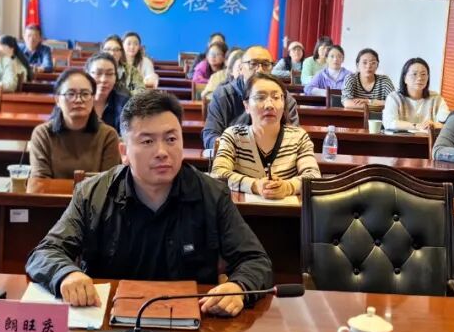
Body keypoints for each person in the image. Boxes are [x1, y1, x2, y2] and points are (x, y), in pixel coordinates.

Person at [25, 90, 273, 316]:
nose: (162, 151)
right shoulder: (92, 194)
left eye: (171, 139)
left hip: (191, 324)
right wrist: (67, 274)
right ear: (124, 152)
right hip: (104, 322)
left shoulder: (212, 194)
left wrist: (238, 286)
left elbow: (256, 261)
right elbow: (45, 253)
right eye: (147, 141)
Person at [211, 73, 320, 198]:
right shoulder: (233, 136)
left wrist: (287, 187)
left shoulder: (299, 137)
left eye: (276, 97)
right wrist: (254, 185)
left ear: (284, 103)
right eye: (260, 98)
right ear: (246, 106)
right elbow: (218, 174)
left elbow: (313, 176)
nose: (269, 105)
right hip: (241, 209)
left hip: (287, 209)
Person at [27, 69, 121, 180]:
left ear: (93, 99)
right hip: (50, 192)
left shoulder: (108, 135)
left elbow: (109, 183)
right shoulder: (43, 134)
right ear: (57, 100)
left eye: (85, 94)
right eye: (71, 94)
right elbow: (40, 182)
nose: (78, 100)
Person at [203, 45, 300, 150]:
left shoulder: (283, 97)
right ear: (241, 68)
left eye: (266, 64)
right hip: (232, 155)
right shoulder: (223, 95)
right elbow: (210, 135)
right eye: (253, 64)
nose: (260, 70)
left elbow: (293, 135)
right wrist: (230, 147)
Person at [382, 58, 450, 131]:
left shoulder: (436, 98)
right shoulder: (394, 98)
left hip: (428, 138)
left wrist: (433, 125)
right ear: (405, 78)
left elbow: (448, 123)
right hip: (401, 138)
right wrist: (416, 126)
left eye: (423, 74)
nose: (420, 78)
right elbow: (389, 123)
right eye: (414, 74)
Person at [87, 52, 130, 130]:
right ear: (87, 75)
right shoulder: (77, 101)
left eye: (110, 74)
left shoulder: (124, 104)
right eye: (98, 73)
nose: (103, 80)